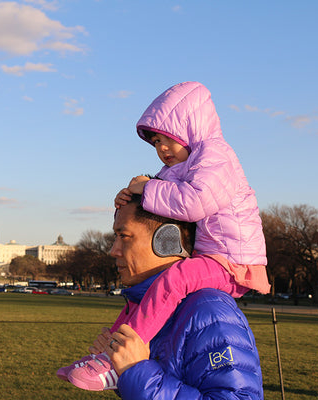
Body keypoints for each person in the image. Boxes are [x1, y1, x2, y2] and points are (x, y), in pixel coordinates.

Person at [60, 81, 270, 391]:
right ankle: (108, 357)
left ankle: (126, 352)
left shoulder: (216, 155)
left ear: (191, 127)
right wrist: (128, 194)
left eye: (167, 139)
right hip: (213, 254)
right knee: (145, 295)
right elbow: (154, 203)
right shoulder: (182, 166)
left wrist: (146, 188)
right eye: (156, 142)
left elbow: (193, 202)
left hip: (232, 260)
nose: (161, 149)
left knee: (173, 280)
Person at [78, 195, 264, 398]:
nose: (113, 250)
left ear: (168, 241)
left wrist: (137, 370)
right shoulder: (149, 310)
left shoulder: (208, 311)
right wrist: (119, 369)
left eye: (124, 236)